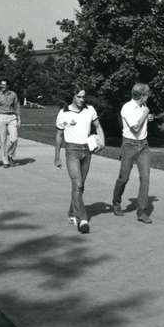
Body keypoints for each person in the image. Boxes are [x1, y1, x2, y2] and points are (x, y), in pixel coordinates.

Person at [54, 86, 105, 233]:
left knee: (80, 186)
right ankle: (83, 219)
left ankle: (71, 212)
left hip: (87, 151)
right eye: (79, 97)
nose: (82, 100)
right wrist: (57, 156)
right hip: (71, 151)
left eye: (84, 97)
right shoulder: (63, 113)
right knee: (77, 183)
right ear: (73, 96)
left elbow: (98, 126)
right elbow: (58, 136)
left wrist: (102, 140)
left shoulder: (90, 110)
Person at [111, 83, 154, 223]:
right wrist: (145, 114)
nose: (148, 97)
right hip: (129, 145)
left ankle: (141, 212)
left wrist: (148, 118)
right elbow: (135, 127)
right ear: (142, 95)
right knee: (124, 178)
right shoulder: (127, 107)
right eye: (147, 94)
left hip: (143, 146)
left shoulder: (143, 107)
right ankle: (116, 202)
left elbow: (141, 124)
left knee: (145, 178)